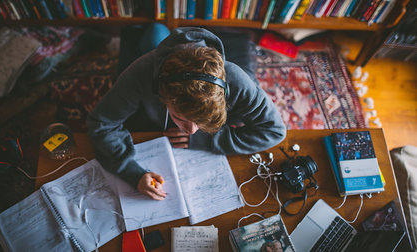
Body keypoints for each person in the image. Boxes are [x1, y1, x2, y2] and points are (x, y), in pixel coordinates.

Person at [87, 25, 286, 200]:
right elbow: (101, 123)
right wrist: (132, 173)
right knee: (155, 32)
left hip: (237, 83)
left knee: (158, 32)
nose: (191, 131)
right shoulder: (140, 74)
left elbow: (275, 131)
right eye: (180, 118)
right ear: (161, 95)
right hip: (150, 67)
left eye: (200, 123)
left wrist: (209, 140)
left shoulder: (238, 81)